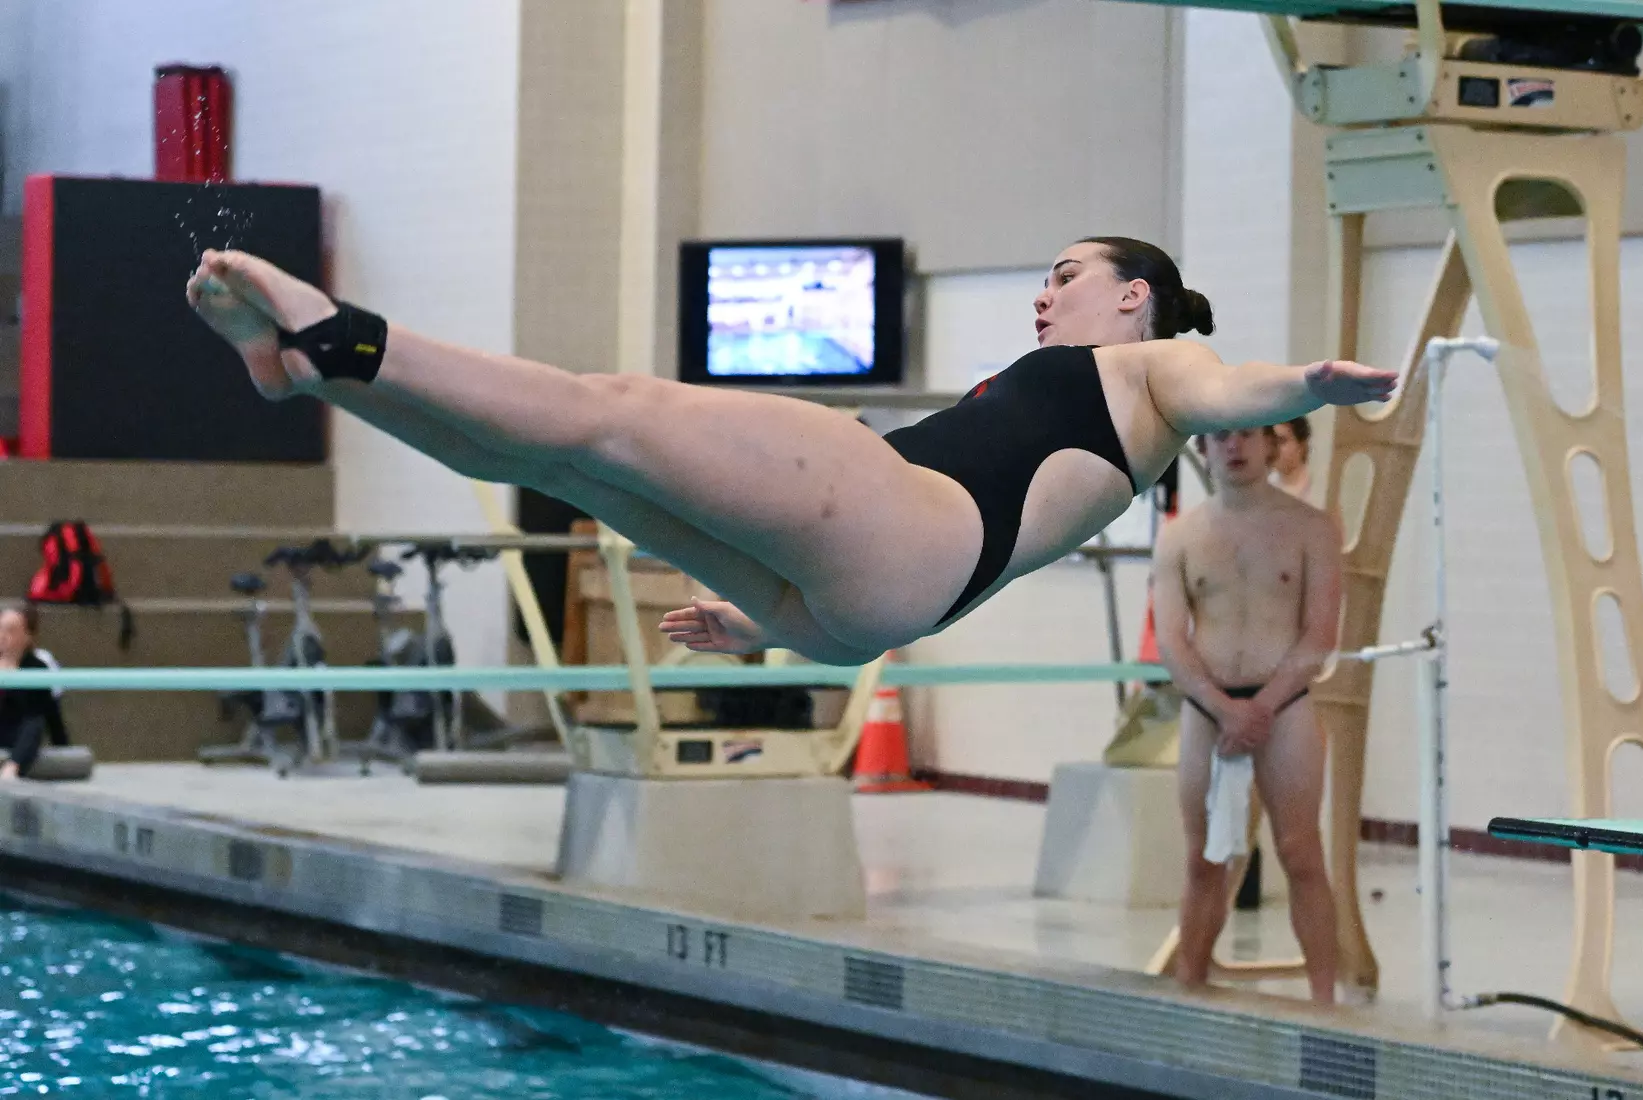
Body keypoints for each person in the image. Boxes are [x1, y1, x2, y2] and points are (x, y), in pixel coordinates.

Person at [185, 237, 1394, 666]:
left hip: (900, 542)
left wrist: (1309, 384)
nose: (1044, 297)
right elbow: (969, 565)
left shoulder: (1156, 369)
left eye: (1063, 276)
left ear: (1134, 297)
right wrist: (774, 627)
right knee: (557, 466)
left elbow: (1233, 386)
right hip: (875, 591)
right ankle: (308, 370)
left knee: (605, 411)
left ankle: (339, 335)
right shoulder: (1105, 413)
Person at [1151, 425, 1342, 1004]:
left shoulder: (1312, 528)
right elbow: (1172, 642)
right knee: (1202, 858)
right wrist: (1223, 708)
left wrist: (1258, 708)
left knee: (1301, 851)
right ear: (1202, 450)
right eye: (1217, 437)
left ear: (1269, 445)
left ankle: (1326, 1001)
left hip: (1283, 707)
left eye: (1245, 436)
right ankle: (1190, 988)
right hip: (1208, 709)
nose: (1233, 448)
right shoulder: (1180, 537)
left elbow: (1318, 637)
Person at [0, 604, 70, 780]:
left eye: (11, 630)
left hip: (17, 736)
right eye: (0, 628)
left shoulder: (37, 668)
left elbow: (49, 714)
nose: (2, 636)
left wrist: (64, 750)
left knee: (35, 722)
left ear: (27, 636)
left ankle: (12, 768)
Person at [1271, 416, 1312, 500]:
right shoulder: (1265, 487)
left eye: (1281, 441)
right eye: (1272, 442)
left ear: (1301, 445)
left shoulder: (1319, 490)